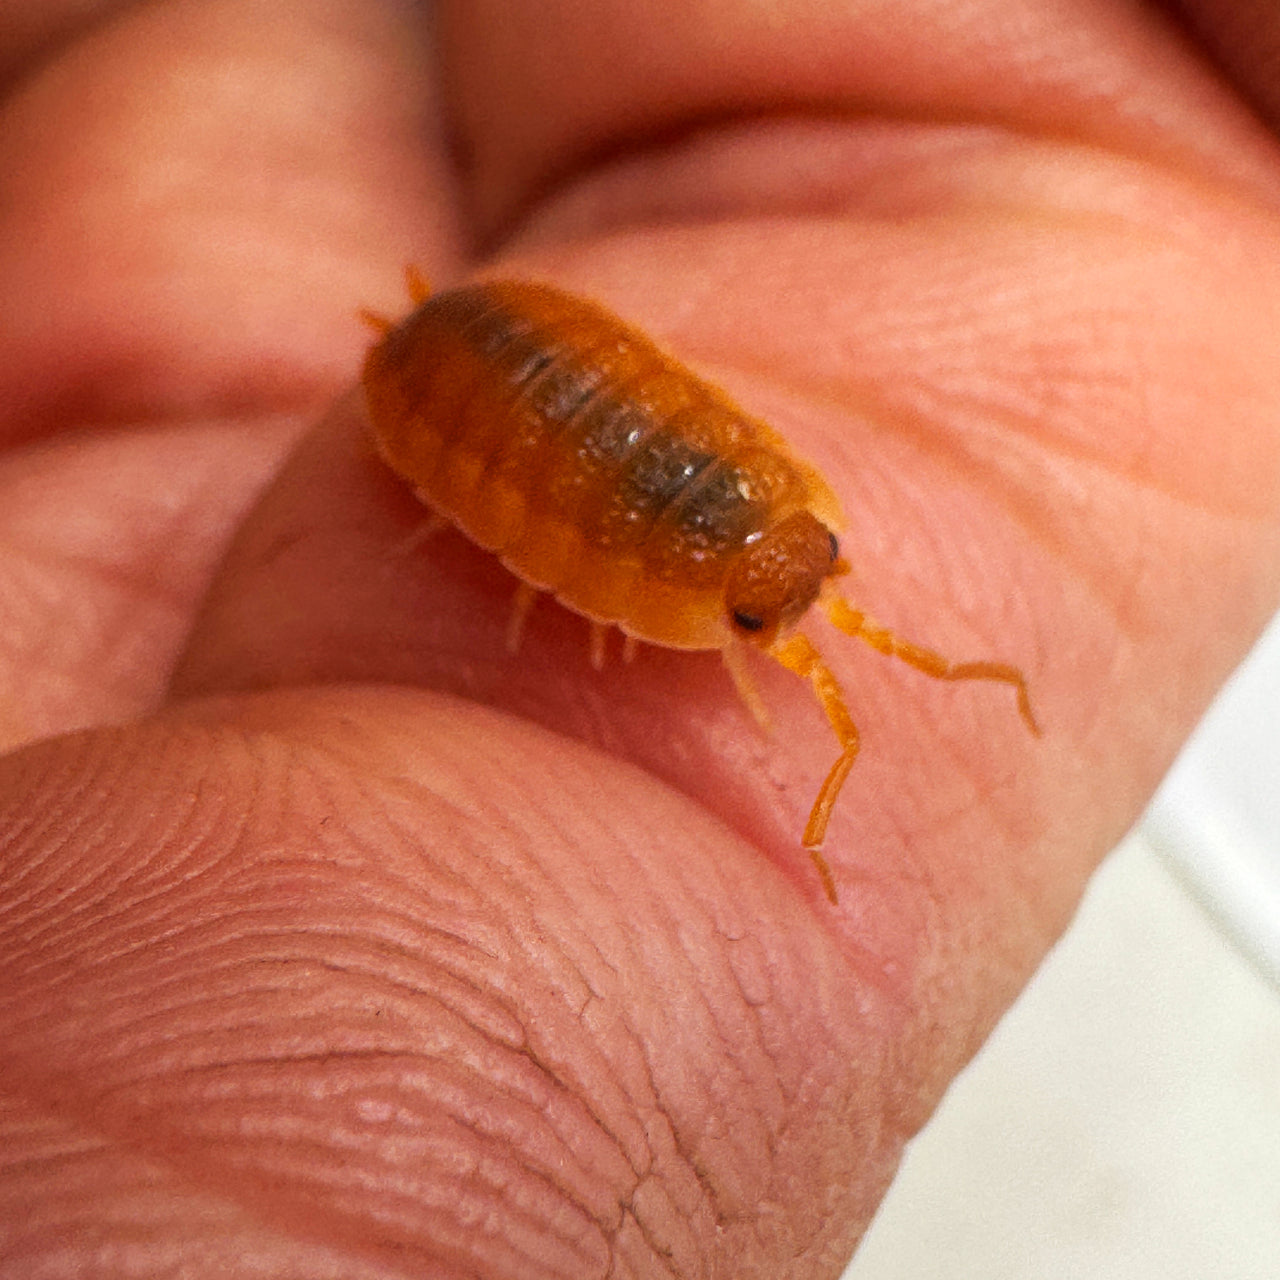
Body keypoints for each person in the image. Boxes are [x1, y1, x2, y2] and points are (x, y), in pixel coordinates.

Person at [1, 2, 1278, 1274]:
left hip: (501, 369)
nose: (803, 619)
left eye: (803, 583)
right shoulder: (671, 577)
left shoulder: (753, 538)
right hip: (464, 376)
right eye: (763, 614)